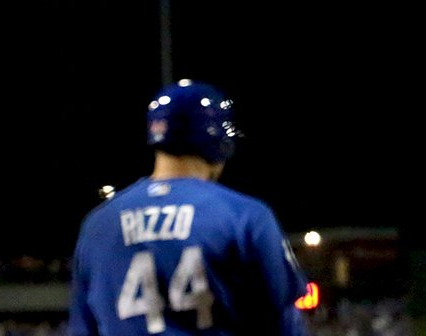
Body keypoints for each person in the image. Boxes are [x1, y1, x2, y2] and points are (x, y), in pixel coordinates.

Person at [68, 79, 311, 336]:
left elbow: (82, 328)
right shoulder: (245, 216)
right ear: (220, 141)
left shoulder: (97, 224)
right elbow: (283, 320)